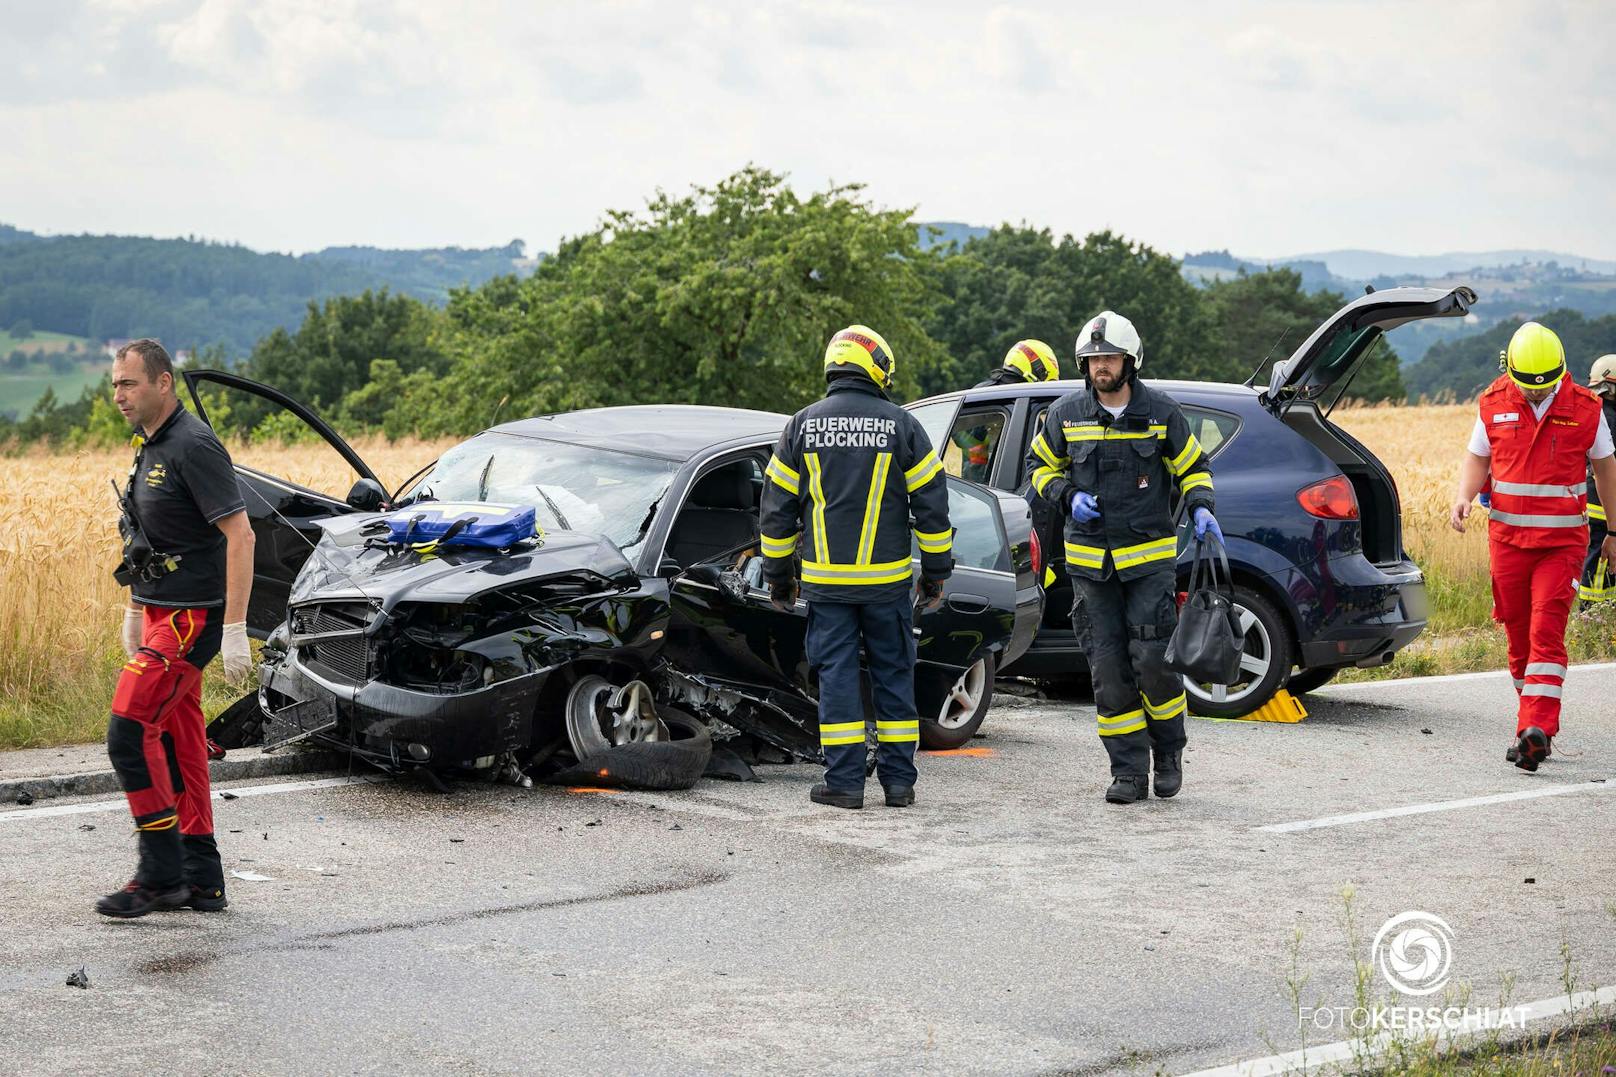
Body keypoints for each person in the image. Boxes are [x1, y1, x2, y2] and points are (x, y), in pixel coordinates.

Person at [1026, 312, 1217, 804]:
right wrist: (1067, 495)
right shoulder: (1066, 413)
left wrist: (1201, 507)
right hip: (1091, 569)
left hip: (1148, 565)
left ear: (1130, 361)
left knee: (1153, 663)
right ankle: (1128, 772)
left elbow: (1193, 465)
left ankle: (1169, 753)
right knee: (1108, 672)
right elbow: (1039, 468)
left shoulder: (1161, 413)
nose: (1100, 367)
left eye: (1108, 358)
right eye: (1092, 360)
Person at [758, 325, 953, 809]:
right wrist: (935, 573)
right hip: (887, 586)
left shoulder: (801, 425)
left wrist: (779, 577)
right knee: (893, 675)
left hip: (827, 587)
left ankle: (844, 784)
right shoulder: (903, 426)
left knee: (839, 677)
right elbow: (932, 507)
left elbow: (777, 511)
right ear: (877, 367)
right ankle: (899, 784)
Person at [98, 339, 255, 918]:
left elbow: (242, 537)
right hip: (162, 612)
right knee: (178, 741)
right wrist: (136, 609)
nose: (118, 394)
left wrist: (235, 628)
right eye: (115, 384)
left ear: (163, 383)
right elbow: (149, 538)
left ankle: (160, 874)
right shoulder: (151, 445)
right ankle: (200, 877)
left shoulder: (194, 445)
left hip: (193, 619)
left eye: (129, 383)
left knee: (129, 731)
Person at [1449, 323, 1616, 771]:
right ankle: (1530, 720)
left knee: (1546, 633)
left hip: (1560, 546)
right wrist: (1464, 495)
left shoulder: (1586, 408)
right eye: (1529, 390)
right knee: (1519, 638)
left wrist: (1614, 532)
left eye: (1546, 390)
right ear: (1513, 372)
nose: (1537, 397)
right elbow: (1477, 457)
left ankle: (1535, 730)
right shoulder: (1492, 403)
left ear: (1562, 372)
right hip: (1507, 543)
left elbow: (1605, 468)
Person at [1578, 354, 1616, 603]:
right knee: (1602, 556)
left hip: (1594, 494)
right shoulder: (1608, 416)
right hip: (1604, 500)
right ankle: (1591, 611)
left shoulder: (1591, 411)